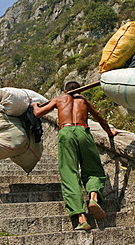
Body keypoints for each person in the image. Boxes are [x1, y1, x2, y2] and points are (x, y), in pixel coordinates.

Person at [32, 81, 118, 230]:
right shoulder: (84, 101)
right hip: (83, 131)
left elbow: (38, 114)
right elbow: (100, 118)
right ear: (79, 89)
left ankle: (81, 217)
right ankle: (93, 197)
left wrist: (35, 106)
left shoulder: (59, 99)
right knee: (93, 169)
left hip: (66, 132)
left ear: (65, 90)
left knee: (69, 173)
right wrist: (111, 133)